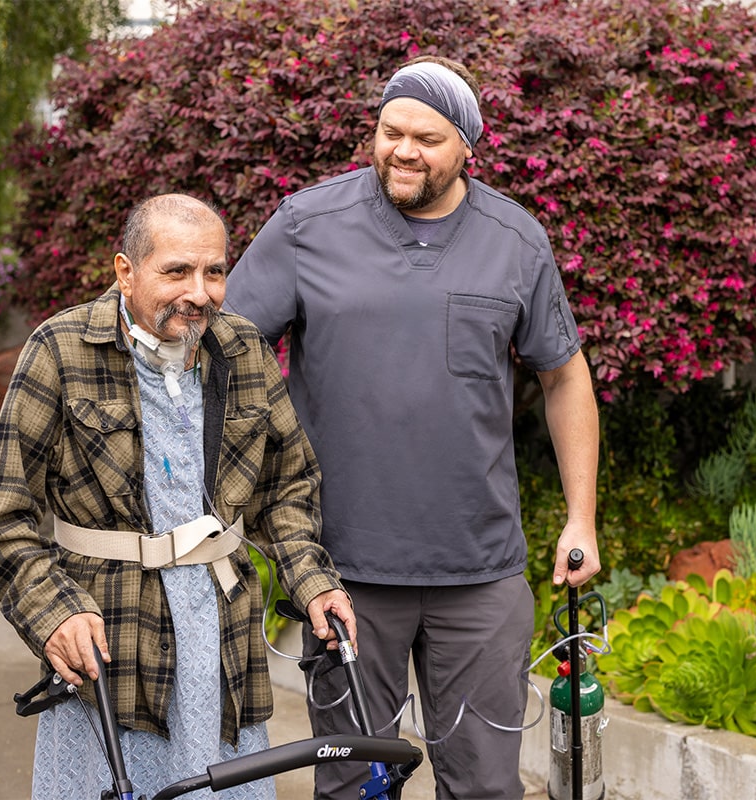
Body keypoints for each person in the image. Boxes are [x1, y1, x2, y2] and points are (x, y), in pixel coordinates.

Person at [223, 56, 600, 799]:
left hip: (480, 575)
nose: (402, 149)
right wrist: (259, 488)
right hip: (344, 574)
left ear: (467, 146)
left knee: (487, 787)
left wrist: (580, 517)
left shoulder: (514, 240)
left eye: (426, 137)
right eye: (390, 131)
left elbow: (564, 377)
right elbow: (227, 354)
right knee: (351, 787)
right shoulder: (307, 226)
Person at [0, 193, 355, 800]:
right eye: (177, 271)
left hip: (222, 643)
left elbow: (287, 488)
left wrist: (312, 580)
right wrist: (56, 615)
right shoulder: (59, 350)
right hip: (111, 643)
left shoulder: (242, 350)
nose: (199, 293)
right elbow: (5, 518)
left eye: (214, 272)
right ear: (125, 271)